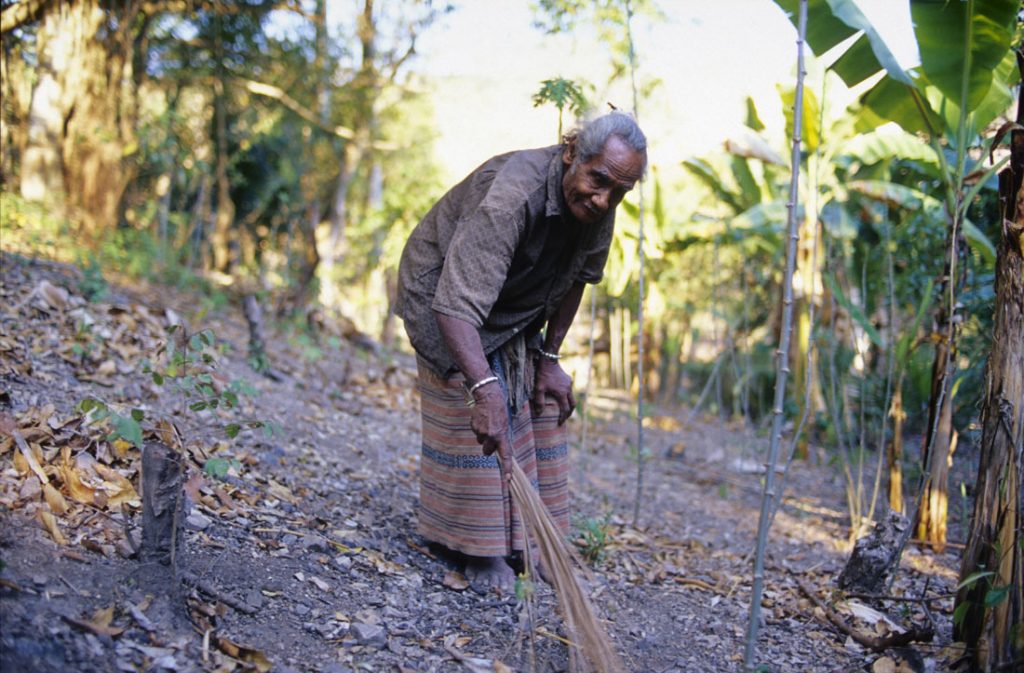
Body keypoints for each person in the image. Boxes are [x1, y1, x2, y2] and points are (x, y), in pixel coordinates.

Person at [395, 111, 647, 593]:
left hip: (511, 302)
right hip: (441, 295)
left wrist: (549, 359)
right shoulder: (511, 197)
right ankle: (480, 551)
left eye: (618, 191)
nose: (604, 199)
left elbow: (578, 279)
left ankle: (536, 544)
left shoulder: (601, 200)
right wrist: (483, 388)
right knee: (477, 405)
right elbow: (456, 303)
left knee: (542, 405)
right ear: (572, 151)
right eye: (598, 181)